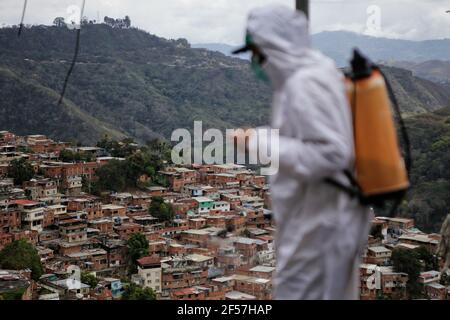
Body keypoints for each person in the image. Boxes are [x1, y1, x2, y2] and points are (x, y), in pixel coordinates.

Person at [232, 5, 373, 300]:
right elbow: (307, 139)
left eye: (258, 53)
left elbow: (333, 152)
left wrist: (255, 142)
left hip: (319, 230)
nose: (257, 62)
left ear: (274, 46)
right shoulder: (314, 73)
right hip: (320, 223)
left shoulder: (305, 83)